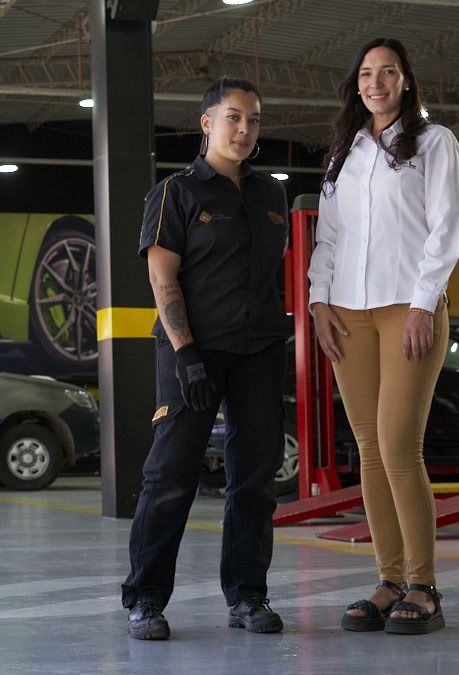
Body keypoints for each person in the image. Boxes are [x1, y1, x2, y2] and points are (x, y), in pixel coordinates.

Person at [122, 77, 292, 640]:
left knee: (254, 478)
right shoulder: (176, 193)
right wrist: (187, 354)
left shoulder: (271, 195)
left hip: (260, 350)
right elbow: (161, 276)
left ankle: (247, 595)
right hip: (191, 351)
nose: (245, 130)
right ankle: (146, 598)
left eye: (255, 120)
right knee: (170, 476)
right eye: (233, 118)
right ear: (207, 124)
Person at [307, 37, 459, 636]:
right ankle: (389, 579)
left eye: (388, 72)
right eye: (366, 74)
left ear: (405, 81)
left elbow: (445, 229)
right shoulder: (344, 153)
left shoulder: (433, 142)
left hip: (408, 306)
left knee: (399, 446)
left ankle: (424, 585)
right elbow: (328, 236)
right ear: (356, 85)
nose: (376, 83)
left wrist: (425, 304)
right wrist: (319, 300)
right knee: (369, 449)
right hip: (349, 311)